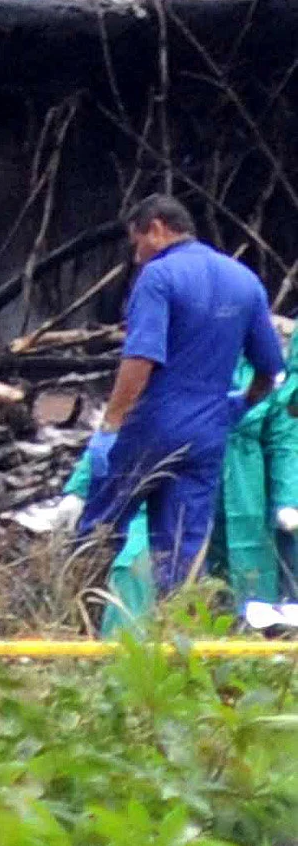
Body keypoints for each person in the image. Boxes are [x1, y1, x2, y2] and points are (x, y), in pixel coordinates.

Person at [86, 196, 284, 594]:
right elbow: (269, 368)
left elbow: (140, 358)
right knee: (181, 552)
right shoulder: (244, 280)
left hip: (150, 429)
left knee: (99, 534)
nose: (138, 256)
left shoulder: (158, 277)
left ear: (157, 228)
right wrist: (240, 404)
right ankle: (175, 640)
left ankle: (74, 631)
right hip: (207, 434)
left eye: (137, 242)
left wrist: (111, 424)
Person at [217, 320, 298, 625]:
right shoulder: (184, 363)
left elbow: (284, 440)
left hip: (246, 482)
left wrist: (287, 499)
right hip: (193, 473)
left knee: (252, 559)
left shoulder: (269, 374)